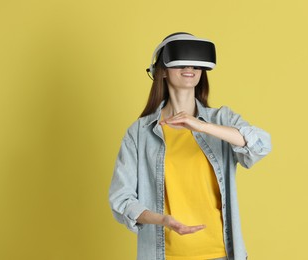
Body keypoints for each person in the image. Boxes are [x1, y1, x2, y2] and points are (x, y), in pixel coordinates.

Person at [109, 32, 272, 260]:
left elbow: (261, 144)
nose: (190, 68)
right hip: (164, 254)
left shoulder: (221, 119)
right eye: (181, 62)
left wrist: (201, 126)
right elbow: (121, 199)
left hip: (221, 253)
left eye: (196, 64)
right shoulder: (139, 132)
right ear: (162, 70)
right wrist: (162, 219)